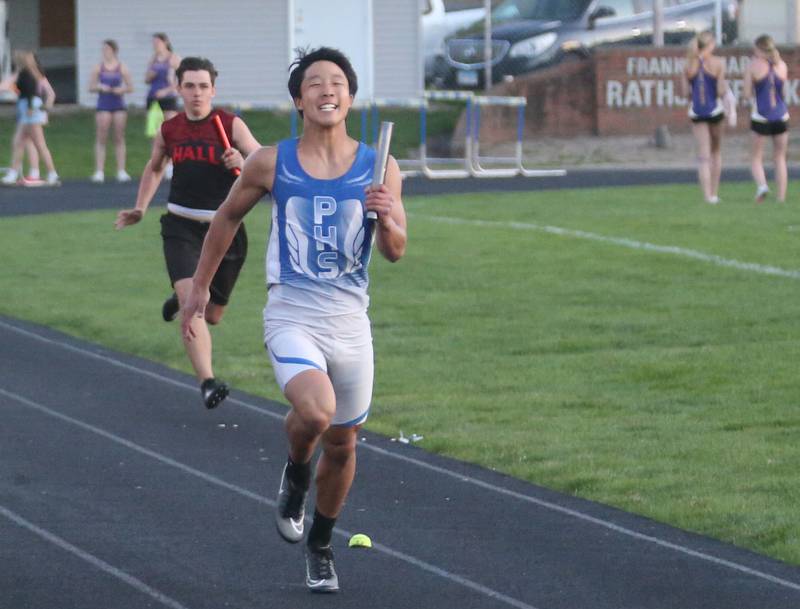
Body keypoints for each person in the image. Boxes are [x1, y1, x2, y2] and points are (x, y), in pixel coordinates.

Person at [181, 47, 407, 594]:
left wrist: (387, 214)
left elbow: (397, 250)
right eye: (314, 83)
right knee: (317, 410)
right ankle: (296, 471)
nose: (326, 90)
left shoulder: (380, 165)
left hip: (351, 320)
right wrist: (200, 290)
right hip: (292, 312)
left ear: (350, 98)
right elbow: (226, 220)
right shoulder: (270, 162)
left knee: (345, 443)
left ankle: (321, 546)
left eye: (336, 82)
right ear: (299, 100)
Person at [115, 57, 260, 408]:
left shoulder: (230, 124)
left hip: (224, 229)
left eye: (203, 86)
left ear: (214, 89)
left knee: (212, 314)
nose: (197, 93)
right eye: (190, 86)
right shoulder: (171, 129)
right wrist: (140, 207)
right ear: (179, 88)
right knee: (193, 306)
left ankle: (182, 299)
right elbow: (154, 168)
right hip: (180, 225)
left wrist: (240, 165)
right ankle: (208, 382)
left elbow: (262, 165)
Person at [1, 51, 59, 186]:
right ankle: (14, 172)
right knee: (19, 141)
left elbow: (34, 93)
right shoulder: (21, 74)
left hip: (30, 109)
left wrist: (37, 108)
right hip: (25, 108)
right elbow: (7, 85)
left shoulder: (34, 74)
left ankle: (51, 173)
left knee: (37, 143)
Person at [743, 34, 790, 203]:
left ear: (760, 49)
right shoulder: (782, 65)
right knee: (779, 157)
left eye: (755, 49)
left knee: (755, 156)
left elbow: (747, 94)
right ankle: (781, 197)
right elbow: (783, 93)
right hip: (781, 115)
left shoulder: (753, 66)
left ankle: (762, 186)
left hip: (761, 115)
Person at [684, 31, 726, 205]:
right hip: (715, 110)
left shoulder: (688, 65)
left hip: (697, 111)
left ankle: (707, 196)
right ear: (710, 45)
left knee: (703, 154)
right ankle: (714, 193)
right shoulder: (718, 63)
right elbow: (721, 90)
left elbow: (685, 93)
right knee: (716, 151)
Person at [88, 39, 133, 183]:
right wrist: (100, 87)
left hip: (118, 104)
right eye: (103, 49)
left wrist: (122, 89)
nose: (105, 52)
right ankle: (99, 171)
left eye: (107, 49)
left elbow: (130, 87)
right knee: (101, 136)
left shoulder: (122, 67)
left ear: (114, 51)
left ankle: (121, 170)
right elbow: (91, 87)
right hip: (103, 104)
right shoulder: (98, 67)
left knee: (119, 136)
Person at [145, 33, 181, 180]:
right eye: (154, 43)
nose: (155, 45)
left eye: (157, 42)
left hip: (168, 99)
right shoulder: (153, 59)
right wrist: (151, 74)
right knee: (155, 132)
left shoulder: (173, 58)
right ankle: (157, 162)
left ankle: (172, 164)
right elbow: (146, 79)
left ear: (165, 42)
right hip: (153, 98)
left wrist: (165, 91)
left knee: (170, 132)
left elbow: (178, 82)